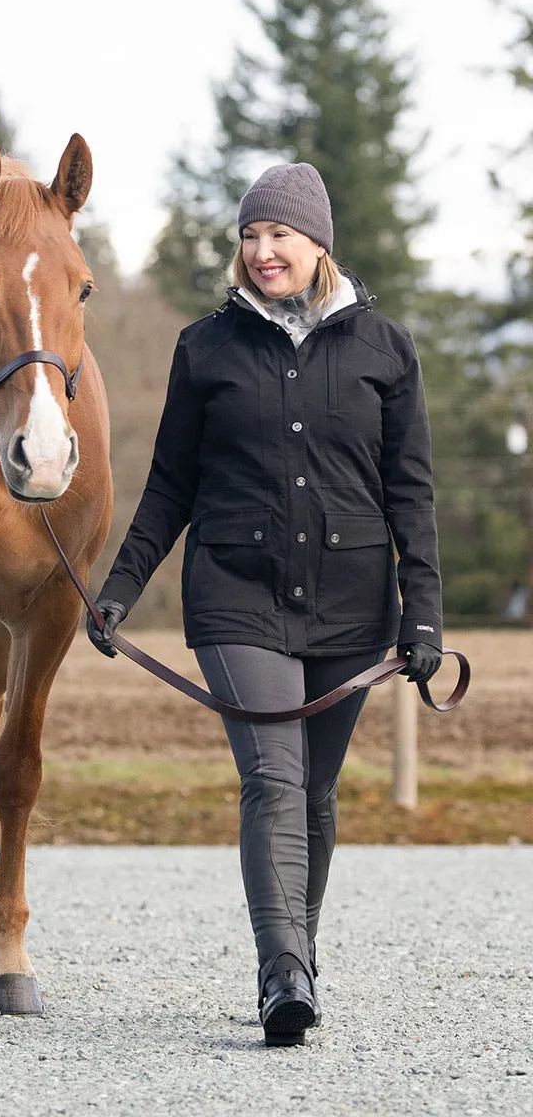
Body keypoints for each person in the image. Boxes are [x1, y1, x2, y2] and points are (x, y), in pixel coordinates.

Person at [86, 162, 443, 1047]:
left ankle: (301, 964)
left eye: (278, 234)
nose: (261, 250)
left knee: (317, 792)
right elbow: (170, 484)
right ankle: (280, 972)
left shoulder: (384, 349)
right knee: (273, 779)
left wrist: (425, 614)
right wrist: (121, 587)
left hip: (354, 603)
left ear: (318, 241)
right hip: (234, 594)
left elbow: (412, 494)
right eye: (249, 235)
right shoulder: (205, 349)